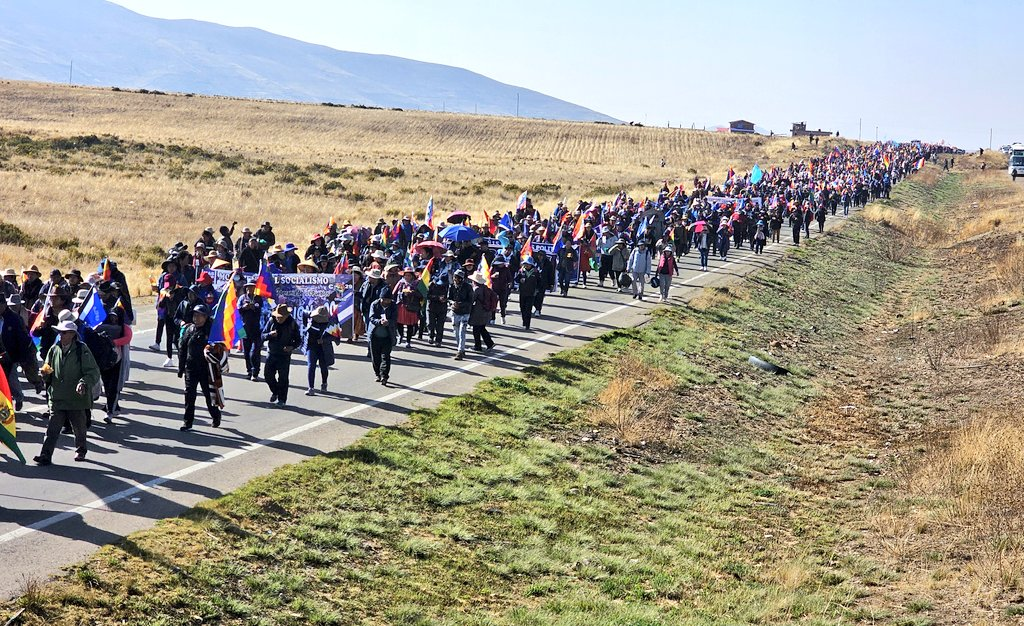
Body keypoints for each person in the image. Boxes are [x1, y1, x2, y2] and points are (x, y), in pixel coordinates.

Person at [34, 320, 100, 465]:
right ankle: (45, 455)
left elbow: (93, 372)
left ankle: (81, 450)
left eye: (63, 333)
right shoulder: (54, 349)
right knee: (52, 429)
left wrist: (83, 383)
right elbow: (48, 367)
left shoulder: (82, 350)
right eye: (59, 332)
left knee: (79, 428)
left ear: (72, 334)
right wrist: (44, 373)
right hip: (57, 397)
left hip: (76, 399)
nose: (60, 335)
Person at [177, 304, 221, 431]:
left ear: (205, 317)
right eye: (194, 315)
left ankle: (215, 415)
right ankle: (187, 422)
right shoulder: (189, 329)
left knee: (208, 395)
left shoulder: (211, 331)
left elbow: (220, 348)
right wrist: (181, 368)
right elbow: (182, 349)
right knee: (189, 394)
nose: (196, 318)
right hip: (191, 367)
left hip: (206, 369)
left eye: (199, 315)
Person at [262, 303, 300, 407]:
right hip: (271, 353)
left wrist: (291, 347)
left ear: (286, 316)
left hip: (284, 355)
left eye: (281, 317)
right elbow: (263, 335)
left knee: (283, 378)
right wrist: (270, 334)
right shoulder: (271, 321)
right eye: (277, 317)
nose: (279, 319)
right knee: (268, 376)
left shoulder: (292, 323)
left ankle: (282, 399)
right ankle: (275, 391)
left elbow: (298, 340)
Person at [304, 305, 339, 395]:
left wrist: (324, 340)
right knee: (311, 365)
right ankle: (311, 387)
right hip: (311, 346)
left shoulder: (331, 323)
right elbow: (304, 315)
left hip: (324, 348)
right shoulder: (310, 316)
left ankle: (324, 383)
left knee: (323, 367)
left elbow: (334, 337)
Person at [367, 289, 398, 385]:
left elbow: (395, 319)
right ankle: (378, 374)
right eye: (384, 299)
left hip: (387, 336)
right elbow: (371, 318)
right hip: (375, 336)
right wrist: (379, 322)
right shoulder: (374, 305)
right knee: (375, 357)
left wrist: (388, 322)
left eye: (388, 300)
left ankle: (384, 376)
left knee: (385, 357)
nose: (385, 302)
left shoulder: (393, 306)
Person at [237, 281, 264, 381]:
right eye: (248, 287)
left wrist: (253, 307)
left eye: (252, 287)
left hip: (256, 328)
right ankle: (249, 371)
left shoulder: (258, 298)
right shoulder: (242, 298)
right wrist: (244, 307)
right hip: (243, 328)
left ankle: (255, 371)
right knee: (246, 351)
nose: (250, 289)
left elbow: (260, 308)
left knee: (255, 351)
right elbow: (237, 309)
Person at [394, 268, 423, 349]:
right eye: (405, 275)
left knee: (410, 325)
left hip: (412, 306)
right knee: (399, 323)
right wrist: (402, 293)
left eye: (409, 275)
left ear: (412, 276)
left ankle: (408, 341)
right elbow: (394, 292)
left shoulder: (417, 283)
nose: (407, 277)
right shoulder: (401, 283)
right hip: (401, 305)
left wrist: (412, 293)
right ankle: (400, 335)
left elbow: (422, 295)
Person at [447, 269, 473, 360]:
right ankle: (461, 348)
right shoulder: (452, 287)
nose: (456, 280)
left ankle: (460, 351)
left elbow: (470, 301)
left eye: (458, 278)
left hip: (465, 312)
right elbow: (449, 298)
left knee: (462, 331)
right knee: (456, 331)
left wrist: (460, 304)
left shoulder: (468, 287)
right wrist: (452, 303)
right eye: (455, 278)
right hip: (454, 312)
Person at [469, 272, 496, 353]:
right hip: (486, 311)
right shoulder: (486, 288)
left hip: (478, 312)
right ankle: (489, 343)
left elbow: (471, 300)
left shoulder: (476, 289)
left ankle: (478, 346)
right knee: (482, 328)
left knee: (476, 330)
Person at [517, 258, 539, 330]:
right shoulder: (521, 271)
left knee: (528, 309)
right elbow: (516, 279)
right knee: (522, 308)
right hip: (522, 292)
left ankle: (527, 324)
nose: (526, 265)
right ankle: (524, 321)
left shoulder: (535, 272)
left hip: (531, 293)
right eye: (525, 264)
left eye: (528, 264)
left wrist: (537, 290)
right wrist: (520, 280)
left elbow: (540, 282)